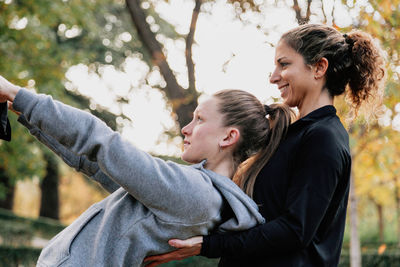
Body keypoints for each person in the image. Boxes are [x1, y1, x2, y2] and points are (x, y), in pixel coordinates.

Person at [144, 23, 387, 266]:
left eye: (284, 64)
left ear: (319, 67)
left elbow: (295, 230)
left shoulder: (324, 137)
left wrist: (207, 245)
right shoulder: (289, 134)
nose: (273, 77)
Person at [0, 76, 293, 266]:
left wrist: (17, 92)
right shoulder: (193, 189)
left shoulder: (196, 193)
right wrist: (23, 110)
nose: (186, 129)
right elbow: (94, 163)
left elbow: (102, 141)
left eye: (200, 120)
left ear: (228, 137)